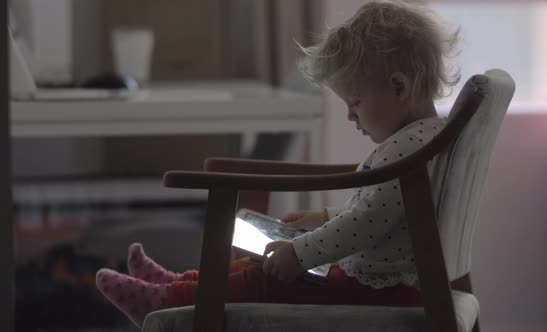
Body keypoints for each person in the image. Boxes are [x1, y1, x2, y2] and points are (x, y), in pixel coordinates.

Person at [95, 0, 461, 327]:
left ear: (399, 87)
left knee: (265, 278)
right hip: (380, 280)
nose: (351, 116)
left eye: (356, 102)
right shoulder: (425, 139)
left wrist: (300, 253)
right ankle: (177, 285)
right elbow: (380, 211)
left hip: (380, 291)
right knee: (255, 266)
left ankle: (169, 302)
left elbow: (366, 223)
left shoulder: (407, 150)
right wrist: (324, 218)